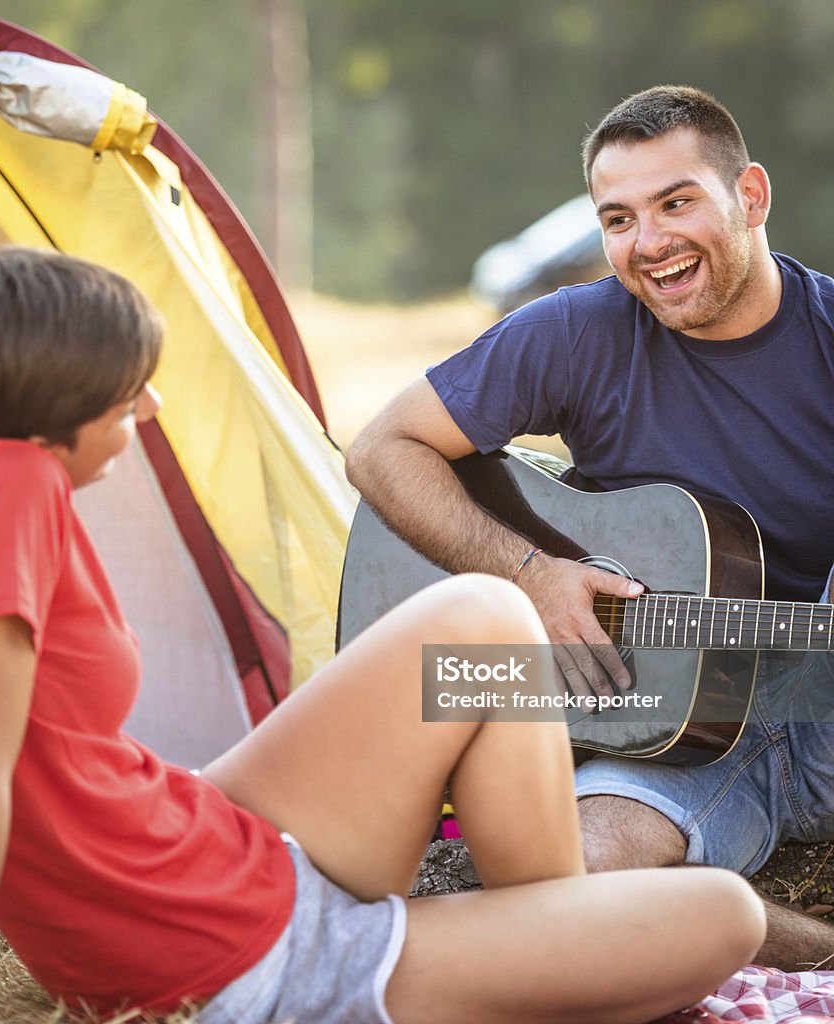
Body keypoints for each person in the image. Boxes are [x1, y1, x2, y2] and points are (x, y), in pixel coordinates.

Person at [0, 245, 763, 1023]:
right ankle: (543, 944)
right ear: (56, 406)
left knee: (490, 613)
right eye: (126, 394)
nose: (145, 411)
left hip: (201, 836)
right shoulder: (8, 491)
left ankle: (540, 934)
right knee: (727, 916)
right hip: (234, 952)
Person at [345, 84, 834, 971]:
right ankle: (810, 949)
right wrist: (530, 571)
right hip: (661, 727)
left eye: (677, 202)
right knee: (573, 876)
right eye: (618, 218)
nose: (648, 244)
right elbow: (383, 449)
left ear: (751, 196)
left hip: (823, 715)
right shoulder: (577, 331)